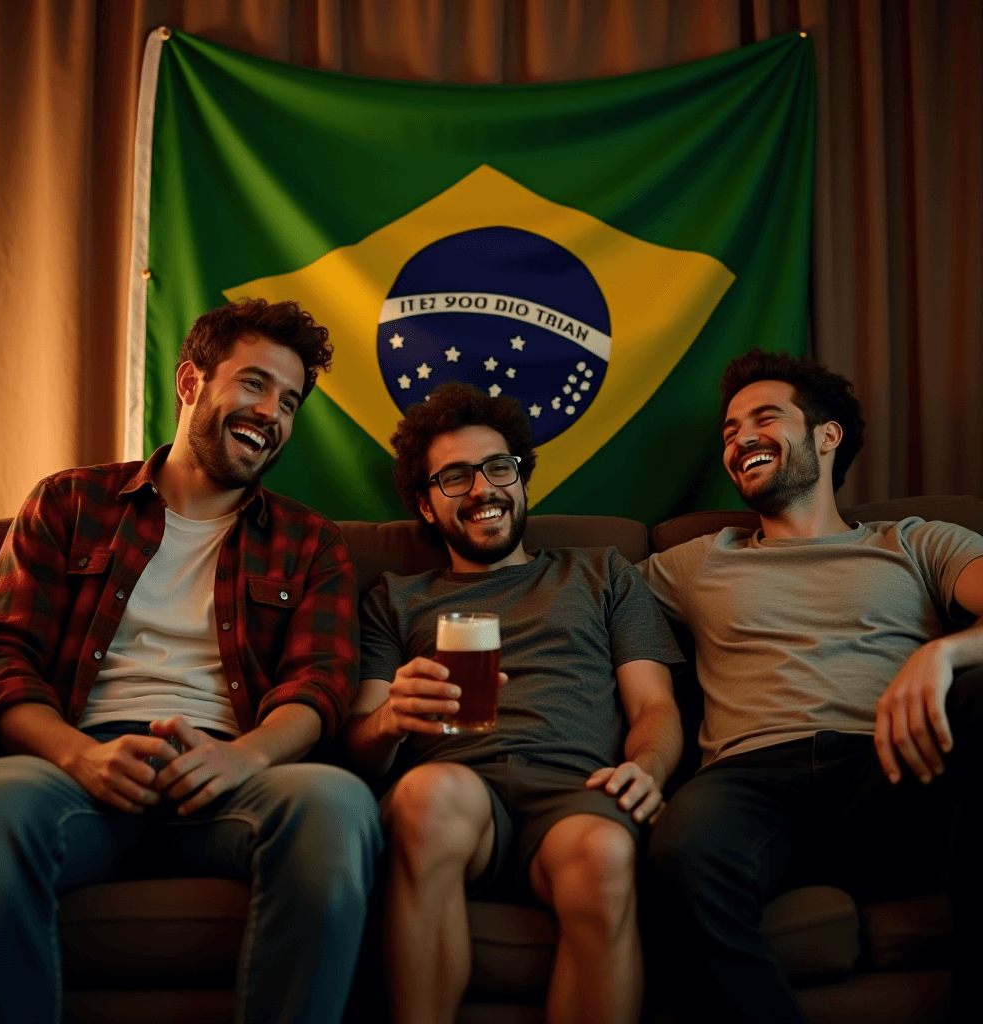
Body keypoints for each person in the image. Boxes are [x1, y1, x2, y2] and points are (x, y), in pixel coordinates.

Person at [0, 297, 382, 1024]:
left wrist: (243, 759)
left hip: (231, 780)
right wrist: (77, 757)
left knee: (336, 805)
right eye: (253, 384)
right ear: (191, 382)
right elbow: (0, 660)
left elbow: (321, 684)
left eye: (289, 401)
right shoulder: (68, 502)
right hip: (78, 771)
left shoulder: (311, 542)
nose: (271, 413)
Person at [642, 349, 983, 1023]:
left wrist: (945, 653)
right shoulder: (693, 562)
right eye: (730, 432)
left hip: (893, 769)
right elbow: (574, 595)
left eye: (763, 418)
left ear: (827, 437)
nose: (739, 440)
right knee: (679, 852)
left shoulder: (914, 543)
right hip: (750, 783)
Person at [345, 381, 683, 1024]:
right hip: (457, 789)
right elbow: (360, 747)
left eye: (497, 467)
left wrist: (648, 769)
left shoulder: (603, 572)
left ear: (521, 477)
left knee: (606, 857)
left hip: (574, 786)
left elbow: (655, 707)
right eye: (454, 478)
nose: (482, 489)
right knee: (427, 797)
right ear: (424, 505)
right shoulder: (395, 597)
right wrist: (390, 719)